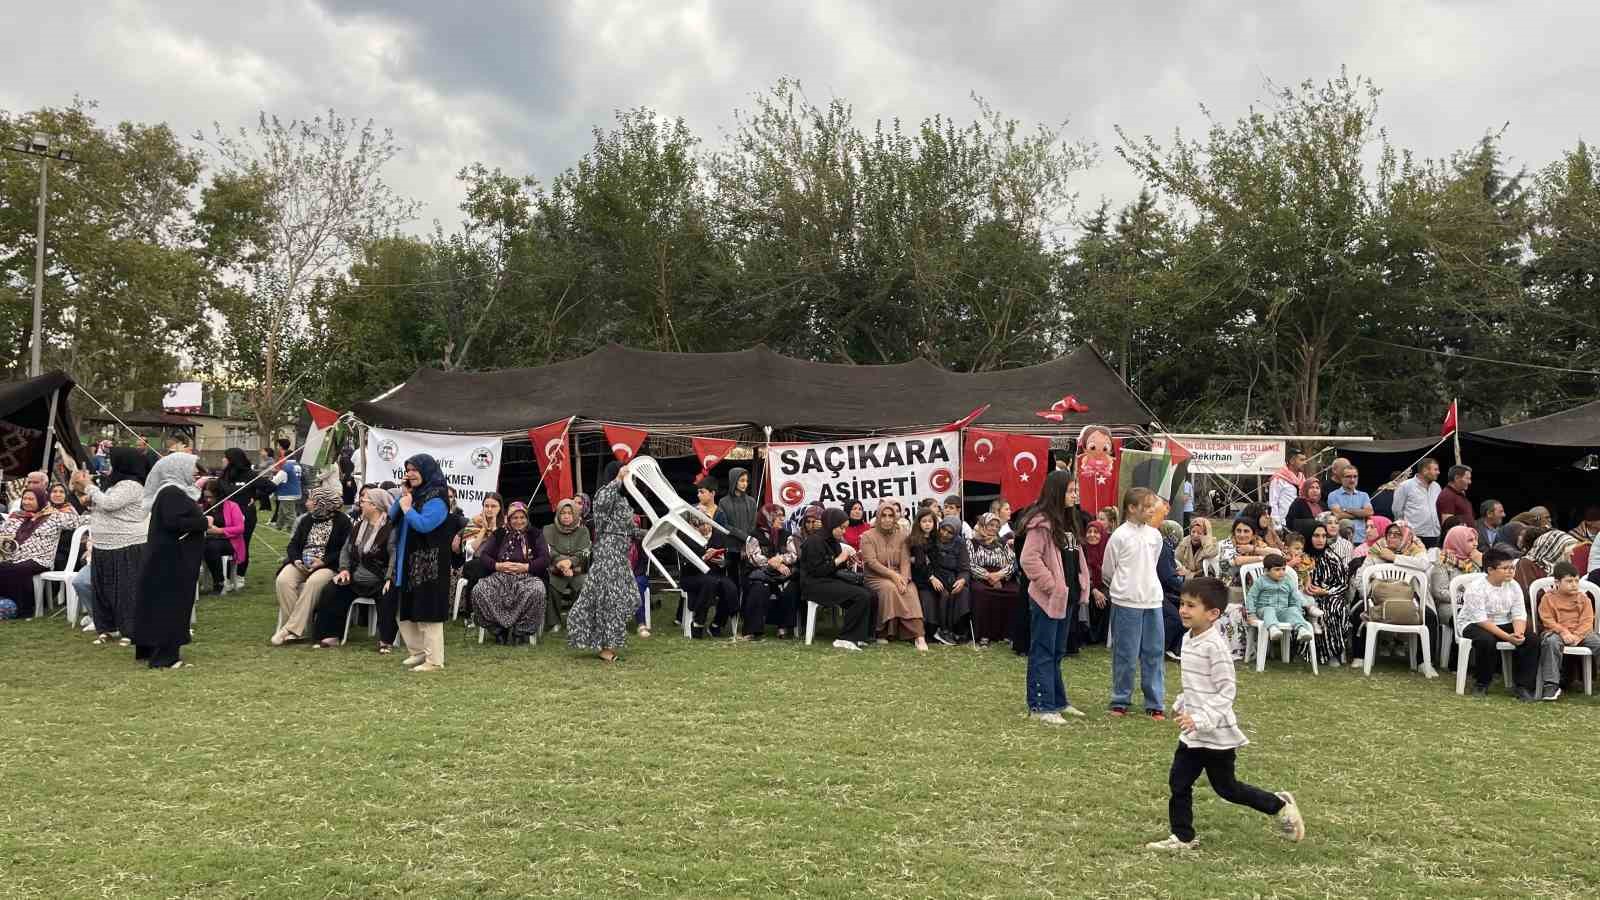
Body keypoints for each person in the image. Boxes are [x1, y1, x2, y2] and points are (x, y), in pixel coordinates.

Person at [1146, 577, 1305, 851]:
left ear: (1213, 614)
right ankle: (1183, 837)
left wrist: (1202, 718)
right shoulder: (1187, 638)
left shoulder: (1215, 647)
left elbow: (1225, 690)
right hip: (1193, 734)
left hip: (1216, 733)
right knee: (1178, 781)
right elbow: (1197, 683)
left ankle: (1279, 805)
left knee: (1227, 788)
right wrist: (1184, 703)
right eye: (1182, 604)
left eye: (1191, 606)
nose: (1183, 610)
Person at [1018, 469, 1089, 723]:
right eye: (1071, 491)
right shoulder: (1041, 523)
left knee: (1057, 651)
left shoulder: (1070, 521)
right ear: (1058, 492)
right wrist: (1052, 585)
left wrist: (1079, 583)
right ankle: (1040, 706)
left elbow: (1075, 557)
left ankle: (1058, 701)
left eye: (1075, 490)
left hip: (1066, 598)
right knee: (1043, 651)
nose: (1075, 495)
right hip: (1047, 599)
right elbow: (1029, 559)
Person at [130, 453, 208, 669]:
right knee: (171, 607)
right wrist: (203, 521)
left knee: (155, 605)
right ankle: (166, 657)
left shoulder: (168, 491)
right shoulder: (172, 492)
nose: (195, 473)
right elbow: (174, 522)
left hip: (163, 558)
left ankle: (148, 648)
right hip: (171, 561)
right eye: (191, 468)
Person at [566, 461, 646, 662]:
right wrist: (618, 479)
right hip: (607, 554)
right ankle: (606, 648)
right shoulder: (605, 493)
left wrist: (651, 534)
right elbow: (601, 505)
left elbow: (628, 529)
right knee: (610, 601)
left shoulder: (622, 499)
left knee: (629, 597)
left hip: (620, 554)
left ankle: (605, 641)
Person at [1103, 488, 1166, 718]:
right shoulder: (1119, 536)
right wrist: (1122, 588)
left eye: (1152, 506)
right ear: (1132, 508)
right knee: (1126, 654)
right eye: (1147, 506)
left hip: (1152, 600)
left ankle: (1155, 702)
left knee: (1154, 652)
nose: (1152, 511)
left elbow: (1153, 563)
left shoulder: (1155, 536)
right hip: (1126, 601)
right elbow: (1108, 570)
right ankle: (1121, 699)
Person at [75, 450, 150, 643]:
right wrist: (88, 497)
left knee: (125, 590)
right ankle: (108, 627)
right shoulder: (115, 485)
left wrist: (89, 486)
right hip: (103, 545)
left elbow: (110, 504)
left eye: (112, 462)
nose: (109, 466)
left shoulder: (132, 485)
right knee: (103, 589)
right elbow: (104, 506)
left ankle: (130, 631)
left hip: (126, 544)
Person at [391, 454, 456, 671]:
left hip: (430, 564)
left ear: (427, 471)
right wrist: (404, 496)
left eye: (414, 470)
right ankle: (418, 652)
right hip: (409, 559)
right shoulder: (415, 494)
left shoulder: (437, 497)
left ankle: (434, 660)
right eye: (408, 470)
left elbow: (425, 525)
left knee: (428, 610)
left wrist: (408, 509)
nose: (410, 474)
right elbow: (392, 516)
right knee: (405, 608)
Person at [311, 487, 395, 650]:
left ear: (375, 506)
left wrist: (390, 578)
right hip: (355, 578)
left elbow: (394, 555)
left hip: (379, 580)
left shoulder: (389, 529)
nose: (360, 504)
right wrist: (344, 569)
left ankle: (386, 641)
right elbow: (346, 550)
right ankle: (331, 635)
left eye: (364, 502)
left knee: (388, 596)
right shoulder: (358, 526)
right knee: (332, 590)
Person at [270, 487, 350, 646]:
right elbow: (292, 545)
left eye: (310, 500)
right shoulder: (307, 519)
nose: (306, 503)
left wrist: (323, 561)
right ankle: (297, 630)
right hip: (302, 562)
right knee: (283, 580)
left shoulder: (343, 522)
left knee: (313, 583)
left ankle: (289, 630)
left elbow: (344, 549)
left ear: (322, 503)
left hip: (327, 565)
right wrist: (296, 560)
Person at [1458, 548, 1539, 700]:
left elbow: (1519, 613)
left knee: (1532, 639)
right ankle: (1481, 683)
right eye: (1505, 568)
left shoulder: (1513, 585)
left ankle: (1523, 686)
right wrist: (1508, 638)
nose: (1510, 572)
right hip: (1474, 623)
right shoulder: (1476, 588)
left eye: (1512, 567)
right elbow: (1481, 620)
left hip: (1504, 622)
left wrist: (1518, 633)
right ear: (1490, 570)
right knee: (1486, 640)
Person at [472, 501, 550, 644]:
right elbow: (484, 556)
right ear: (509, 518)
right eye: (515, 518)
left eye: (522, 517)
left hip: (527, 577)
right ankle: (497, 630)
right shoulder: (500, 534)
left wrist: (526, 567)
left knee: (537, 591)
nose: (519, 521)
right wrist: (498, 565)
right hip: (500, 576)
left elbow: (545, 559)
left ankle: (520, 632)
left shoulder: (535, 534)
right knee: (479, 590)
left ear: (527, 518)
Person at [798, 507, 876, 650]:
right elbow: (816, 571)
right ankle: (845, 638)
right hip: (814, 585)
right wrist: (839, 560)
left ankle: (861, 636)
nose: (843, 531)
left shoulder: (833, 541)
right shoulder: (813, 542)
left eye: (845, 528)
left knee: (871, 594)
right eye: (841, 528)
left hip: (829, 580)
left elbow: (836, 569)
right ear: (831, 524)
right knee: (861, 595)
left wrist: (848, 562)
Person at [860, 501, 928, 650]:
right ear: (878, 517)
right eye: (883, 515)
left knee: (910, 589)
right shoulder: (867, 536)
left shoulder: (902, 536)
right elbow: (871, 562)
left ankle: (918, 635)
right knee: (889, 588)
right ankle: (884, 632)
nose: (887, 519)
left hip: (899, 575)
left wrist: (903, 579)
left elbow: (905, 561)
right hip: (875, 577)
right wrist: (893, 576)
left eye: (891, 515)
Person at [0, 487, 70, 619]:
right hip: (14, 556)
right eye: (24, 498)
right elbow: (3, 532)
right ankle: (11, 603)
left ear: (40, 500)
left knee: (13, 569)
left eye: (31, 499)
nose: (26, 502)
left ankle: (23, 609)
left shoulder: (53, 517)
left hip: (39, 558)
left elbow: (80, 521)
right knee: (9, 567)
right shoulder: (16, 516)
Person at [1536, 561, 1600, 701]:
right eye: (1569, 581)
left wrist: (1576, 636)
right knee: (1550, 642)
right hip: (1556, 633)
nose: (1574, 584)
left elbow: (1587, 621)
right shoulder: (1548, 598)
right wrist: (1563, 632)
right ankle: (1551, 684)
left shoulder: (1584, 599)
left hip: (1581, 633)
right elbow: (1547, 620)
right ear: (1557, 582)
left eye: (1576, 581)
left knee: (1597, 642)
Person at [740, 503, 798, 639]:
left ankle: (783, 626)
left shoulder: (786, 535)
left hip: (780, 576)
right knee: (760, 587)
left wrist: (779, 559)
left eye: (783, 516)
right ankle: (752, 630)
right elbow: (754, 558)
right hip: (759, 574)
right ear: (767, 518)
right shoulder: (754, 535)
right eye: (778, 516)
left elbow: (793, 555)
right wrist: (775, 564)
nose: (782, 519)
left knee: (790, 587)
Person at [1301, 523, 1355, 666]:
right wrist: (1303, 587)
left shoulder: (1332, 557)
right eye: (1316, 536)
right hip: (1303, 596)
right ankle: (1306, 652)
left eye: (1324, 536)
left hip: (1330, 595)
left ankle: (1332, 653)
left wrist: (1325, 591)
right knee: (1302, 606)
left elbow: (1343, 584)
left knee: (1335, 607)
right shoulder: (1301, 557)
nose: (1320, 540)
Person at [968, 512, 1021, 648]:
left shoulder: (1002, 543)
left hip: (1000, 576)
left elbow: (1013, 562)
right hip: (980, 577)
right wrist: (988, 576)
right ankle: (984, 634)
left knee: (1015, 592)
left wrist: (1000, 575)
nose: (993, 528)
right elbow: (970, 564)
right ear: (982, 525)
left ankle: (1007, 633)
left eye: (996, 526)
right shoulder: (972, 543)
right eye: (990, 525)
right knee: (981, 593)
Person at [680, 517, 739, 638]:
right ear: (693, 525)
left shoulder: (719, 536)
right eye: (701, 525)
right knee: (710, 583)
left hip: (715, 574)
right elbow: (685, 562)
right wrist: (703, 558)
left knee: (730, 587)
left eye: (708, 523)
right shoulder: (686, 537)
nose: (706, 527)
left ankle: (717, 624)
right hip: (692, 576)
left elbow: (728, 559)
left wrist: (722, 561)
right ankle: (698, 623)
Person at [543, 498, 592, 632]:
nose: (566, 516)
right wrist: (561, 563)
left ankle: (580, 621)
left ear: (575, 514)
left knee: (585, 584)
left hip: (576, 571)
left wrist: (570, 562)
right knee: (551, 585)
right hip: (555, 570)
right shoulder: (548, 529)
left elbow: (585, 551)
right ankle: (554, 622)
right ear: (558, 514)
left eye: (570, 513)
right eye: (563, 513)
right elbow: (548, 550)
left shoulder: (583, 531)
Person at [1244, 552, 1314, 643]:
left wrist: (1297, 610)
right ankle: (1273, 628)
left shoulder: (1287, 581)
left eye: (1283, 569)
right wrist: (1251, 614)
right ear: (1266, 571)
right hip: (1263, 611)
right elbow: (1251, 597)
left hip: (1282, 611)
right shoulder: (1260, 581)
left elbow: (1294, 597)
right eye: (1277, 570)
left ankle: (1301, 629)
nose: (1281, 572)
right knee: (1269, 610)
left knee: (1292, 610)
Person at [923, 515, 972, 644]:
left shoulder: (960, 543)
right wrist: (932, 577)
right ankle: (942, 630)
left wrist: (962, 580)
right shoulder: (932, 540)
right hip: (934, 576)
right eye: (943, 529)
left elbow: (965, 568)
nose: (945, 534)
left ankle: (958, 630)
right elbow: (925, 564)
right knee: (942, 593)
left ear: (955, 533)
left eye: (950, 532)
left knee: (962, 592)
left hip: (953, 577)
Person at [198, 479, 245, 595]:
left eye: (211, 497)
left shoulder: (232, 506)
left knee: (211, 547)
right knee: (201, 546)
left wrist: (219, 530)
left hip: (229, 541)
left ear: (219, 495)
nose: (208, 500)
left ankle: (219, 582)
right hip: (207, 540)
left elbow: (240, 528)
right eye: (206, 497)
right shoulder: (202, 507)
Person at [219, 448, 259, 588]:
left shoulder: (250, 475)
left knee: (243, 544)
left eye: (225, 457)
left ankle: (240, 575)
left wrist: (255, 497)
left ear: (232, 460)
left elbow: (270, 487)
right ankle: (228, 577)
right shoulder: (224, 476)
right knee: (230, 544)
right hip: (227, 514)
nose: (222, 460)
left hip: (246, 515)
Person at [1392, 459, 1442, 549]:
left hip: (1435, 534)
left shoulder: (1437, 487)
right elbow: (1397, 510)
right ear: (1425, 470)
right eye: (1435, 469)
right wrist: (1405, 530)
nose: (1438, 472)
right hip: (1415, 535)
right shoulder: (1405, 486)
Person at [1156, 519, 1187, 660]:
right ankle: (1160, 649)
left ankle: (1174, 647)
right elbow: (1166, 577)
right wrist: (1186, 588)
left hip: (1161, 590)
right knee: (1175, 618)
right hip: (1156, 593)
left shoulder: (1164, 547)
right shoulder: (1164, 548)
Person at [1081, 520, 1111, 645]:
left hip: (1103, 585)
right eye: (1089, 532)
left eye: (1096, 532)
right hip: (1085, 585)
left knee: (1107, 599)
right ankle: (1086, 635)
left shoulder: (1107, 552)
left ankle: (1100, 636)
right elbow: (1081, 573)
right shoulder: (1082, 550)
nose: (1092, 535)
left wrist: (1100, 591)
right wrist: (1093, 590)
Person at [1327, 465, 1373, 544]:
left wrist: (1347, 510)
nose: (1352, 480)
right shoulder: (1333, 495)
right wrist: (1361, 513)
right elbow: (1338, 515)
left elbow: (1369, 512)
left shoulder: (1364, 495)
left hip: (1362, 539)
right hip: (1341, 540)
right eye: (1348, 476)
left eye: (1355, 476)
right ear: (1341, 478)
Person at [1267, 449, 1307, 530]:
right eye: (1301, 460)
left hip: (1300, 521)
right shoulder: (1278, 478)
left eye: (1305, 460)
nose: (1305, 463)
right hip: (1284, 523)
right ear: (1292, 461)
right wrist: (1277, 525)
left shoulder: (1302, 478)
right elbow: (1273, 502)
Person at [271, 448, 304, 531]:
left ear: (285, 456)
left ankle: (295, 528)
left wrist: (270, 483)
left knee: (289, 512)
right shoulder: (298, 466)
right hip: (295, 490)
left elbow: (277, 479)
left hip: (287, 492)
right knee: (282, 511)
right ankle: (279, 526)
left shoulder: (286, 467)